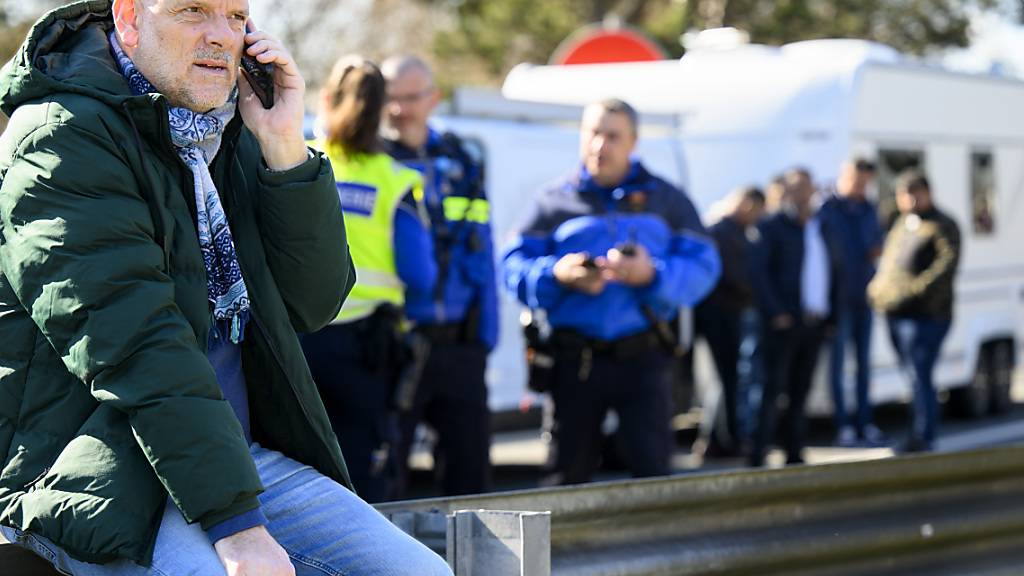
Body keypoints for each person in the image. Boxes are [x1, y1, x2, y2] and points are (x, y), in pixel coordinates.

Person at [0, 2, 451, 575]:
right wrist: (239, 531)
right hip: (94, 469)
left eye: (236, 16)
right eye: (193, 11)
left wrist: (285, 144)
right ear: (130, 19)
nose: (221, 36)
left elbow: (311, 305)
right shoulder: (59, 138)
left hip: (224, 457)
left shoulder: (225, 128)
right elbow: (138, 347)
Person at [502, 98, 721, 485]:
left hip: (644, 360)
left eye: (613, 136)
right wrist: (556, 273)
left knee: (654, 479)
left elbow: (705, 266)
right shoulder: (551, 201)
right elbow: (509, 266)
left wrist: (652, 274)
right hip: (574, 363)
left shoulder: (667, 200)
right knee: (564, 481)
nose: (600, 145)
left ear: (633, 142)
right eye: (593, 134)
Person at [302, 56, 438, 504]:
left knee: (299, 470)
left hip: (299, 344)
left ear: (326, 100)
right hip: (368, 349)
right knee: (365, 473)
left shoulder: (296, 160)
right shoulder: (395, 179)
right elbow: (421, 274)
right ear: (382, 109)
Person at [381, 55, 498, 498]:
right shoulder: (368, 159)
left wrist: (485, 334)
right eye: (388, 98)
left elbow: (482, 250)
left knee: (470, 475)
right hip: (394, 341)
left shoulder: (462, 161)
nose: (397, 109)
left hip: (459, 345)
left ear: (433, 99)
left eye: (408, 98)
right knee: (386, 479)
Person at [868, 170, 961, 453]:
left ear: (927, 193)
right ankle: (917, 432)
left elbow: (944, 269)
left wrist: (910, 293)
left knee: (921, 373)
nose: (908, 199)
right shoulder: (901, 224)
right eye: (903, 194)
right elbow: (890, 264)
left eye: (914, 193)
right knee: (910, 374)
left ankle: (925, 434)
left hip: (927, 314)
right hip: (896, 312)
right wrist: (878, 291)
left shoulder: (942, 225)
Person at [748, 168, 834, 467]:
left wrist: (831, 314)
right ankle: (758, 452)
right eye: (795, 188)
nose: (801, 194)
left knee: (801, 391)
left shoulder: (820, 226)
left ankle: (794, 451)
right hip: (783, 323)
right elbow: (759, 274)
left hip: (813, 321)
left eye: (806, 188)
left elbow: (834, 269)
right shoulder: (772, 226)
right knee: (771, 389)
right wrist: (777, 312)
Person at [818, 157, 886, 447]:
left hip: (863, 296)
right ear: (845, 177)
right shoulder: (828, 210)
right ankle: (843, 424)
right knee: (837, 366)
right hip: (839, 298)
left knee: (863, 364)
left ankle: (864, 421)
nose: (861, 187)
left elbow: (875, 244)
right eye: (857, 181)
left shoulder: (869, 209)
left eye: (865, 182)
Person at [694, 186, 766, 459]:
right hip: (720, 316)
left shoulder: (731, 231)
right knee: (724, 379)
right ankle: (720, 439)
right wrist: (757, 292)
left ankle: (719, 438)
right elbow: (732, 276)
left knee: (726, 380)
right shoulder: (722, 232)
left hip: (726, 314)